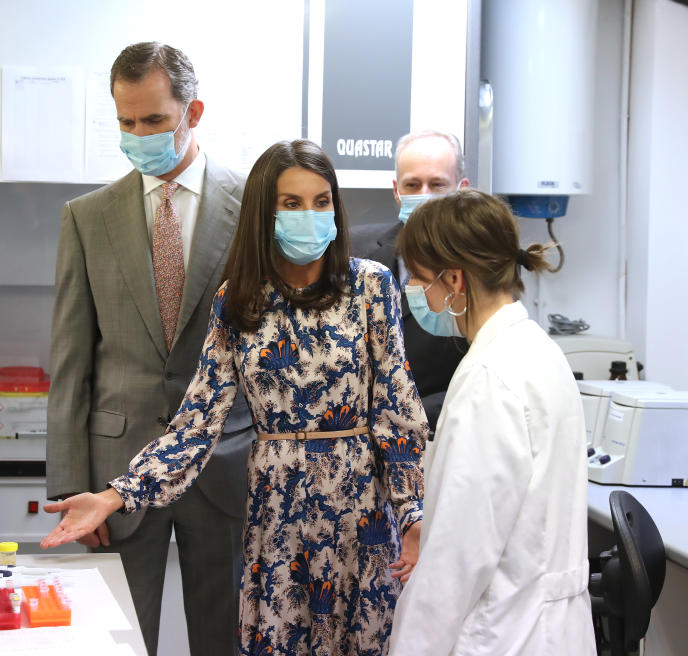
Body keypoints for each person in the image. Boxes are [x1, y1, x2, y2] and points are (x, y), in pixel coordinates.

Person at [42, 139, 427, 655]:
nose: (308, 215)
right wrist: (116, 495)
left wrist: (413, 514)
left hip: (359, 510)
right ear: (264, 213)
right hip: (275, 514)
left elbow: (397, 413)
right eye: (291, 203)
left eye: (320, 201)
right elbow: (196, 424)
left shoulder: (371, 287)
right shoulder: (239, 300)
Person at [43, 42, 254, 656]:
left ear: (194, 111)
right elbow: (70, 362)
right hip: (114, 470)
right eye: (126, 122)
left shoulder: (251, 211)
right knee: (115, 640)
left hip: (224, 464)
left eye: (155, 120)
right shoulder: (87, 217)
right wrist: (68, 489)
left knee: (224, 639)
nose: (139, 135)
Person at [388, 189, 595, 654]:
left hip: (503, 631)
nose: (416, 294)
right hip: (547, 627)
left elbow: (457, 559)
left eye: (421, 280)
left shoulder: (488, 376)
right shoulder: (539, 350)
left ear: (455, 279)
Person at [349, 130, 469, 429]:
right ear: (396, 190)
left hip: (435, 438)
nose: (423, 194)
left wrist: (404, 417)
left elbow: (483, 374)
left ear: (461, 189)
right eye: (413, 184)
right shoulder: (352, 252)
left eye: (437, 185)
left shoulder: (479, 267)